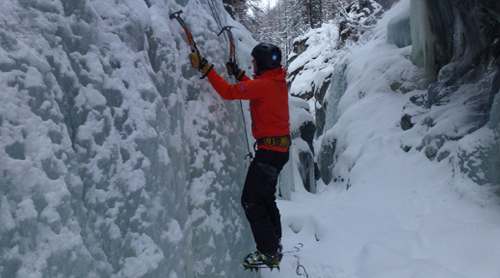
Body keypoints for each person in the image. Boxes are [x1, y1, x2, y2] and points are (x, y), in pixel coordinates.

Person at [189, 42, 290, 269]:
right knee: (266, 198)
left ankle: (269, 251)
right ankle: (274, 243)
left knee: (251, 200)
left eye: (254, 62)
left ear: (262, 63)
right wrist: (240, 74)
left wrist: (206, 68)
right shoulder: (276, 81)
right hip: (280, 151)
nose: (252, 65)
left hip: (269, 153)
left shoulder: (264, 84)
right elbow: (256, 87)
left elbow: (228, 92)